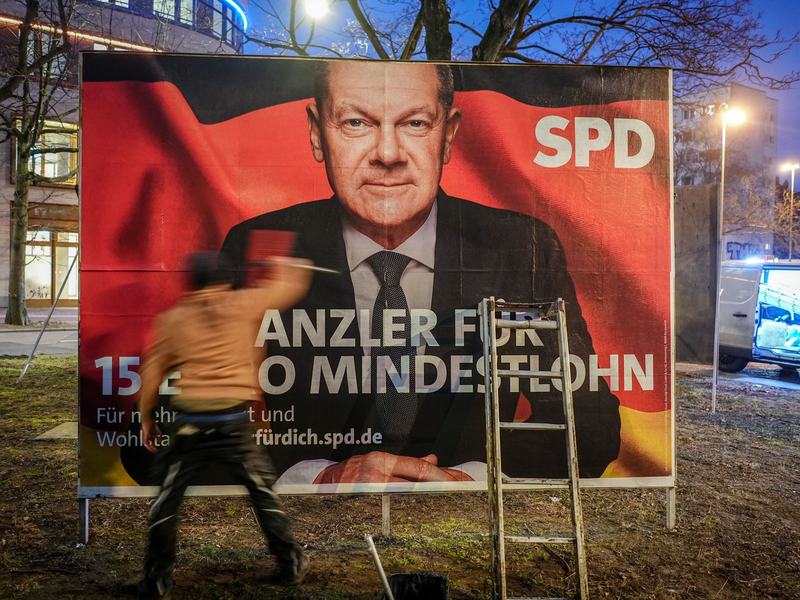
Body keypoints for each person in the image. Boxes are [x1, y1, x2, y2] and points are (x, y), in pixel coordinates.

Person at [220, 61, 621, 485]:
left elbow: (589, 430)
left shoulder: (521, 247)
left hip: (466, 531)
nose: (388, 154)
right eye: (356, 122)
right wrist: (312, 477)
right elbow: (163, 438)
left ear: (447, 136)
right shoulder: (257, 246)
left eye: (414, 123)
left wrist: (468, 480)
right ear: (318, 133)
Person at [135, 251, 313, 599]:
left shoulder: (174, 319)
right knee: (262, 495)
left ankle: (157, 582)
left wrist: (147, 418)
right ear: (225, 279)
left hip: (188, 426)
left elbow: (153, 372)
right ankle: (291, 562)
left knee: (167, 503)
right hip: (234, 422)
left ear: (191, 282)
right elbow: (296, 281)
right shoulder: (244, 302)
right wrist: (281, 263)